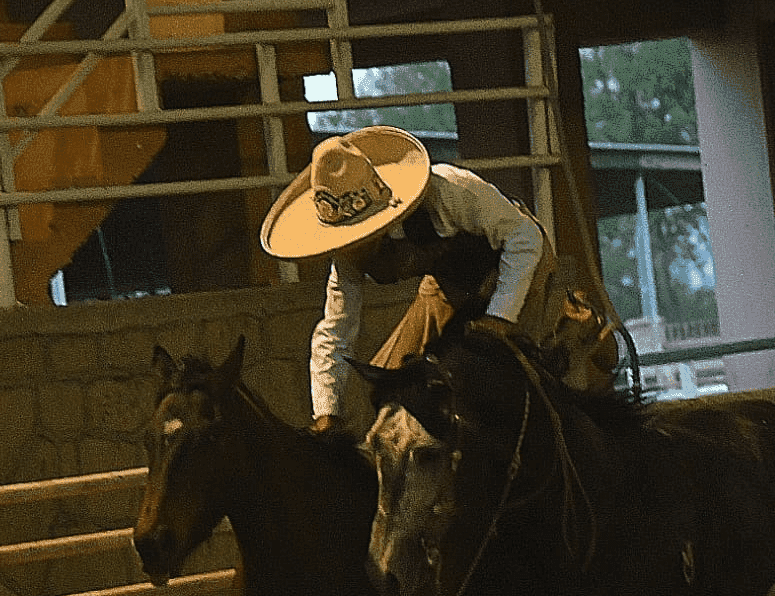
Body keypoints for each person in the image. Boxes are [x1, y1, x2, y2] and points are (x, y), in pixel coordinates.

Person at [261, 125, 619, 433]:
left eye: (362, 237)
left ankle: (574, 318)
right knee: (390, 382)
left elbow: (525, 238)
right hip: (448, 285)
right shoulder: (349, 258)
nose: (353, 249)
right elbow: (335, 330)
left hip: (516, 262)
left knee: (502, 377)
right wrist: (326, 412)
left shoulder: (451, 190)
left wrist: (498, 319)